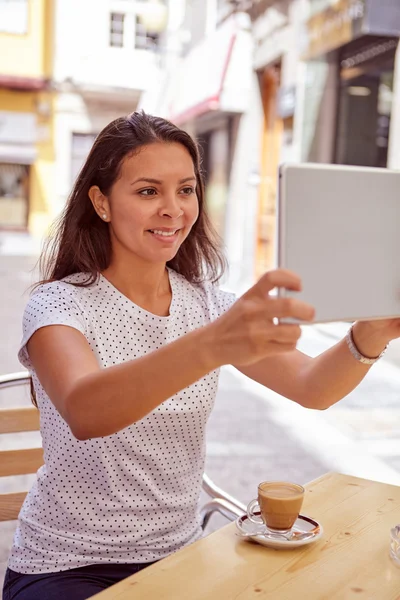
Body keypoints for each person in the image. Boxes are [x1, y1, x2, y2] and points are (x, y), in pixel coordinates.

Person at [2, 111, 399, 600]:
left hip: (181, 556)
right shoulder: (59, 305)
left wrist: (370, 335)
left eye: (185, 190)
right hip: (69, 566)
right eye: (148, 191)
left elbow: (313, 388)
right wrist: (212, 344)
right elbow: (87, 411)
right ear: (101, 202)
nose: (173, 209)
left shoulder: (208, 303)